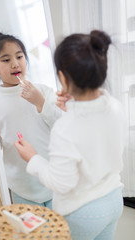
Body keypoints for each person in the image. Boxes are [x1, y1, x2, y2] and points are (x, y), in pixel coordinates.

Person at [15, 30, 126, 240]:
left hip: (83, 212)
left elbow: (61, 183)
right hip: (113, 200)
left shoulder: (65, 128)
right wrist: (73, 103)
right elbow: (92, 132)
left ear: (62, 77)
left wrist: (33, 158)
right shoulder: (115, 106)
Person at [0, 32, 61, 208]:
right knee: (33, 234)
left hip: (52, 179)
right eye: (6, 60)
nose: (15, 63)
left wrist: (40, 102)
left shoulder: (42, 90)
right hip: (21, 185)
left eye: (19, 56)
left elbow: (62, 125)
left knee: (59, 231)